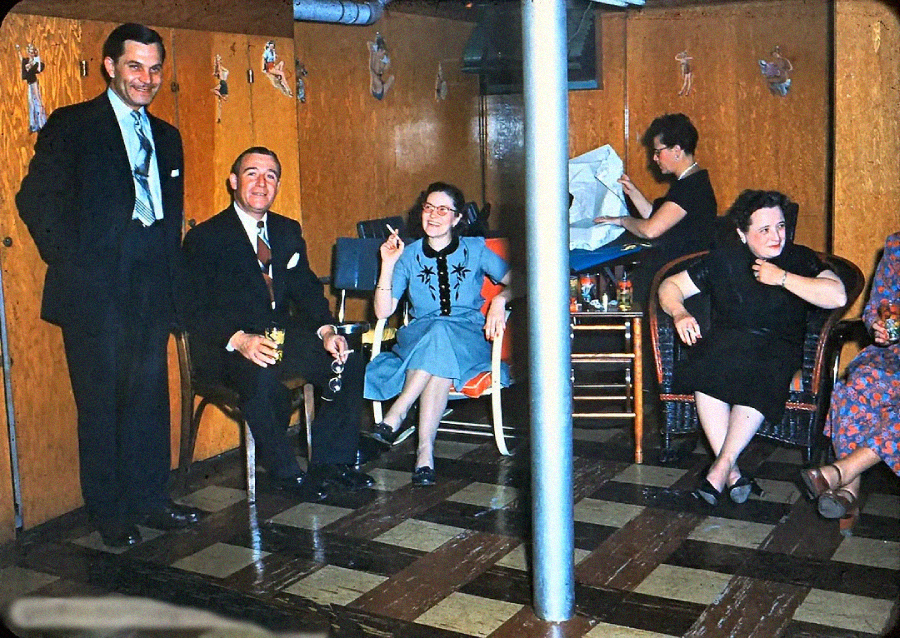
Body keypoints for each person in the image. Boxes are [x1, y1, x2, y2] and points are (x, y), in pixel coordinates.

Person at [16, 23, 200, 547]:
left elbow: (168, 212)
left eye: (154, 68)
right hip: (96, 287)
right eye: (135, 66)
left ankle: (151, 499)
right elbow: (35, 200)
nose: (146, 78)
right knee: (101, 403)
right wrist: (75, 262)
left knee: (148, 398)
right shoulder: (73, 126)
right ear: (110, 66)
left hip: (151, 283)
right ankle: (111, 513)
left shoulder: (166, 136)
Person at [181, 147, 372, 501]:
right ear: (234, 181)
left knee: (349, 360)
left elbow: (306, 288)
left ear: (278, 185)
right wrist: (239, 339)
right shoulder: (206, 238)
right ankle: (286, 474)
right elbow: (193, 306)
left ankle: (332, 464)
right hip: (226, 348)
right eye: (252, 173)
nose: (261, 183)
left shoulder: (286, 231)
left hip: (280, 339)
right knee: (261, 376)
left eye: (270, 176)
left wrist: (327, 329)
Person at [658, 190, 846, 505]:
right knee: (706, 362)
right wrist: (679, 312)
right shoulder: (725, 259)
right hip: (729, 342)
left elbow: (837, 295)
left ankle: (719, 468)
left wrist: (783, 278)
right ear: (742, 234)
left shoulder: (799, 259)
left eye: (781, 226)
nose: (777, 236)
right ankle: (730, 472)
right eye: (764, 230)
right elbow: (670, 286)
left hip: (777, 346)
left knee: (760, 369)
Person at [364, 183, 514, 486]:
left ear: (457, 219)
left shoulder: (476, 250)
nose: (433, 215)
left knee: (443, 334)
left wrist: (500, 299)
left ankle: (397, 416)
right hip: (419, 339)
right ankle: (424, 454)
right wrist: (388, 265)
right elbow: (382, 311)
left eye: (443, 209)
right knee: (439, 338)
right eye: (428, 208)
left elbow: (524, 279)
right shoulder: (407, 256)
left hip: (469, 339)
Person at [802, 233, 900, 533]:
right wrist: (878, 327)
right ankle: (849, 493)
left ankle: (841, 472)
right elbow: (876, 309)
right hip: (895, 354)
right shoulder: (897, 247)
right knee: (858, 383)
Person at [594, 113, 717, 305]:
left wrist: (622, 220)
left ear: (677, 150)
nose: (654, 158)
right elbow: (656, 217)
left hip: (677, 273)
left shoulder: (691, 187)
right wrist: (632, 191)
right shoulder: (692, 181)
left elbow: (651, 230)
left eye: (658, 152)